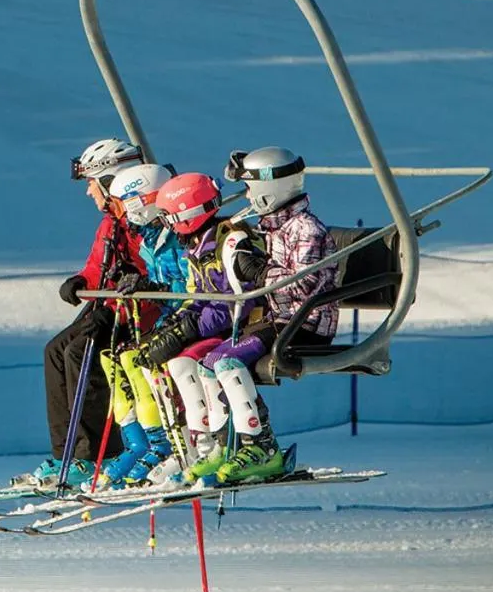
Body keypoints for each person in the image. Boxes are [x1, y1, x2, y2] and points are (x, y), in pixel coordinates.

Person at [12, 138, 150, 489]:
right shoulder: (111, 223)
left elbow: (160, 263)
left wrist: (138, 278)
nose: (89, 192)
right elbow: (97, 267)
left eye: (92, 183)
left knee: (82, 352)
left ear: (110, 180)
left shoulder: (143, 217)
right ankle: (67, 454)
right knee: (55, 351)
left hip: (138, 311)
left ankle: (94, 456)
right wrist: (80, 281)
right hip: (109, 305)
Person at [197, 145, 339, 484]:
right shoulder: (272, 227)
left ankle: (262, 447)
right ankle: (224, 445)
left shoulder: (307, 230)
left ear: (267, 190)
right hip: (280, 320)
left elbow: (306, 286)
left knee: (228, 363)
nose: (246, 195)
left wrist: (260, 272)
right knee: (209, 362)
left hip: (306, 324)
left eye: (249, 187)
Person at [133, 172, 267, 484]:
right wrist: (174, 326)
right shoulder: (197, 249)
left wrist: (190, 328)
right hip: (219, 328)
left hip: (244, 326)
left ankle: (232, 444)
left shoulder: (229, 242)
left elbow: (236, 302)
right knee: (177, 362)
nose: (166, 225)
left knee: (207, 362)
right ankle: (203, 446)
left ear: (187, 215)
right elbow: (197, 297)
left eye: (169, 218)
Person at [92, 162, 185, 489]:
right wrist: (141, 281)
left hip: (188, 320)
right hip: (169, 317)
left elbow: (187, 283)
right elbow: (163, 281)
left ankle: (172, 445)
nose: (121, 214)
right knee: (119, 358)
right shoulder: (149, 239)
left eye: (124, 205)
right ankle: (143, 443)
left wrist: (154, 289)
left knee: (150, 359)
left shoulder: (177, 236)